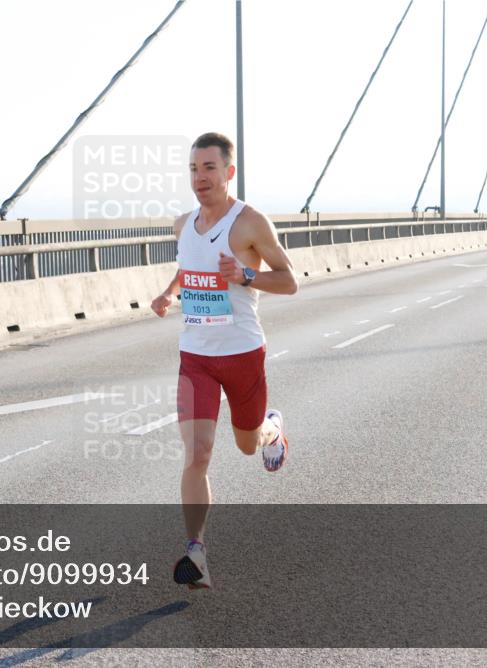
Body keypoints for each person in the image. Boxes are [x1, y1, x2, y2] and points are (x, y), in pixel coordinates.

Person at [150, 132, 298, 589]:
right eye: (194, 169)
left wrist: (247, 273)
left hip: (242, 355)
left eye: (209, 168)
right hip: (195, 357)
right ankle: (196, 553)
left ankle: (272, 429)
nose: (200, 178)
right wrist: (170, 292)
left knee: (247, 444)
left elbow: (290, 280)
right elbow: (187, 264)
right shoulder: (182, 224)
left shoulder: (250, 223)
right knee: (197, 454)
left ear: (229, 172)